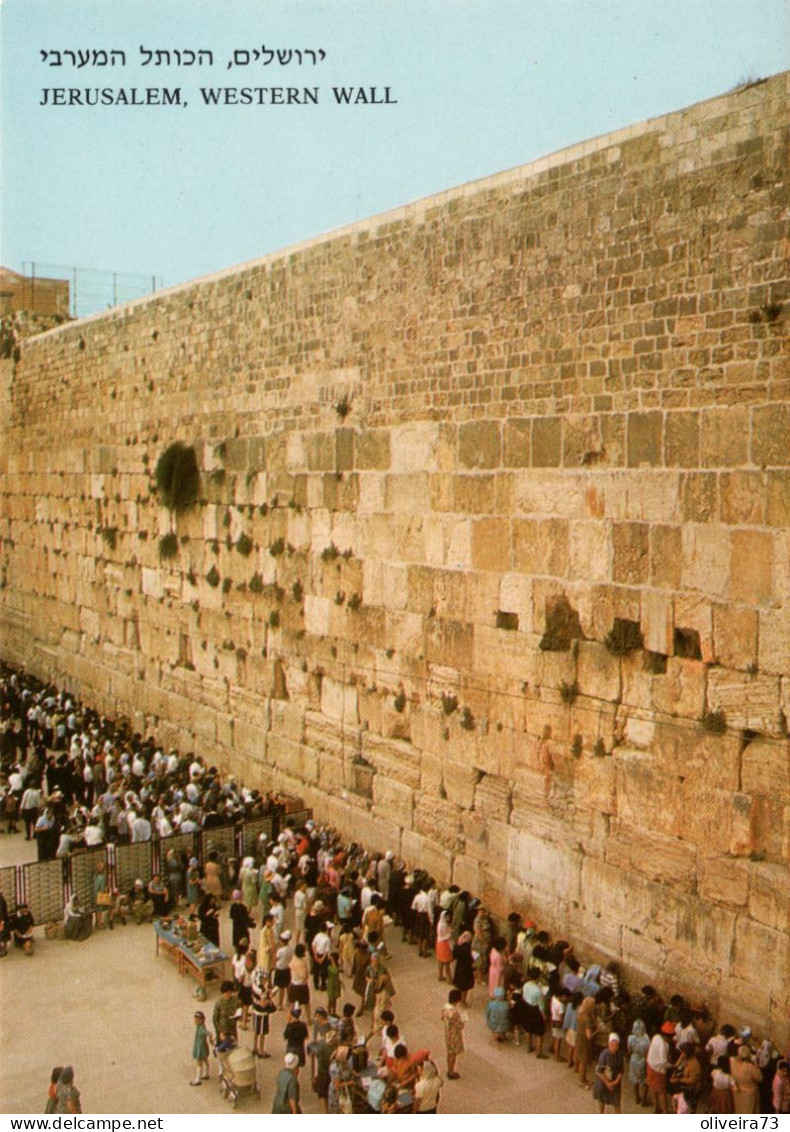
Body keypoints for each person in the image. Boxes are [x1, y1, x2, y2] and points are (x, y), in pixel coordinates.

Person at [593, 1033, 624, 1114]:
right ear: (609, 1044)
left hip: (615, 1081)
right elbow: (600, 1071)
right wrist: (607, 1083)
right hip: (603, 1081)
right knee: (602, 1099)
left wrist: (616, 1081)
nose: (615, 1047)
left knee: (617, 1103)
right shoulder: (604, 1054)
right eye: (613, 1045)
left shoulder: (620, 1055)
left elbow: (621, 1070)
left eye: (616, 1045)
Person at [441, 989, 466, 1079]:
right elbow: (460, 1025)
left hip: (447, 1032)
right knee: (453, 1054)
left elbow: (442, 1018)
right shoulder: (454, 1012)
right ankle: (451, 1072)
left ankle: (449, 1069)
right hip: (454, 1034)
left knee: (449, 1052)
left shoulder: (445, 1007)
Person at [730, 1044, 762, 1114]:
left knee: (739, 1109)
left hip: (737, 1090)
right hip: (749, 1093)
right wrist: (756, 1065)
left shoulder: (732, 1062)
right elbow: (759, 1078)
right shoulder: (751, 1067)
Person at [451, 931, 475, 1005]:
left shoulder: (458, 944)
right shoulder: (467, 946)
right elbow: (469, 958)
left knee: (460, 986)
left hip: (459, 967)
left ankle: (459, 999)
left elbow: (454, 955)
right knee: (465, 986)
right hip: (466, 969)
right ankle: (463, 1001)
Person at [190, 1011, 210, 1085]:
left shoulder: (201, 1028)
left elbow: (206, 1032)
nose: (195, 1022)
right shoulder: (201, 1026)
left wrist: (210, 1035)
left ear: (201, 1020)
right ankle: (207, 1073)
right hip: (203, 1046)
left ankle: (198, 1079)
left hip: (200, 1048)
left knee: (199, 1062)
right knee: (205, 1060)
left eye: (197, 1020)